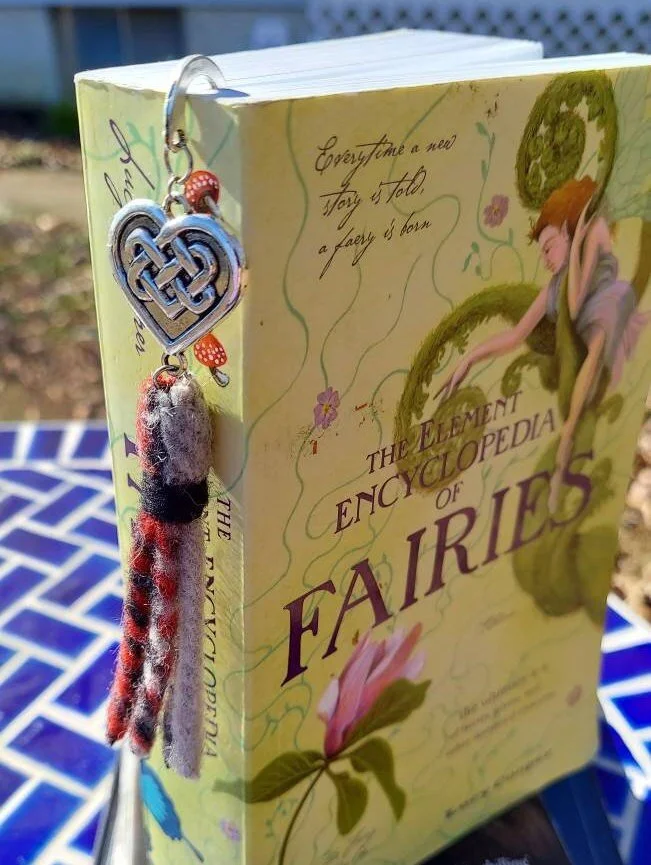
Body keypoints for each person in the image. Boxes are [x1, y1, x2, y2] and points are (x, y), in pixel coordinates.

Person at [439, 176, 649, 511]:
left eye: (549, 247)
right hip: (582, 337)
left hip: (608, 310)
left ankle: (567, 446)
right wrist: (470, 359)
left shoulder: (592, 232)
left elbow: (576, 306)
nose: (545, 258)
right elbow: (515, 336)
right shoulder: (554, 285)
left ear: (567, 232)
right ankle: (565, 457)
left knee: (598, 341)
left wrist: (577, 243)